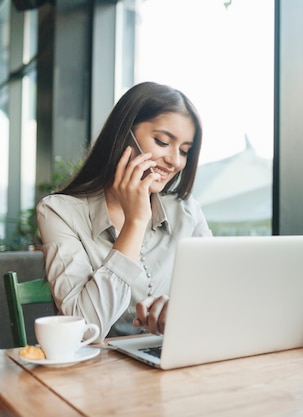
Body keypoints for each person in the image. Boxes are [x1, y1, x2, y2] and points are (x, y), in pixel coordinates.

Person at [36, 81, 212, 342]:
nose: (175, 161)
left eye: (184, 150)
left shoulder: (186, 211)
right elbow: (85, 329)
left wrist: (180, 310)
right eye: (163, 142)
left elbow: (217, 297)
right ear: (124, 136)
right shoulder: (59, 212)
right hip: (99, 373)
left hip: (175, 359)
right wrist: (136, 222)